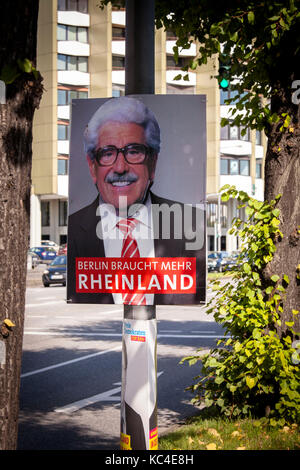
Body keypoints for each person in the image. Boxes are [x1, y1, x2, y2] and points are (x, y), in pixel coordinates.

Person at [67, 96, 205, 305]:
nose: (120, 167)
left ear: (153, 162)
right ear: (92, 166)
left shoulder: (190, 223)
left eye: (133, 151)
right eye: (107, 153)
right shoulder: (75, 230)